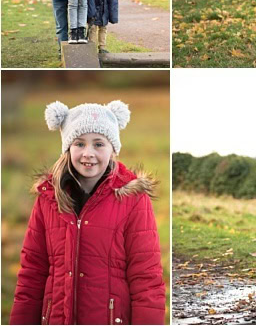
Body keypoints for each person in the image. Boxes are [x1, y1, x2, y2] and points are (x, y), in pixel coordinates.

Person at [9, 100, 164, 324]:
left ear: (113, 149)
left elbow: (146, 280)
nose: (88, 153)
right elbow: (32, 274)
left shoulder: (133, 200)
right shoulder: (48, 199)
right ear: (67, 148)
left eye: (99, 144)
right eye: (79, 143)